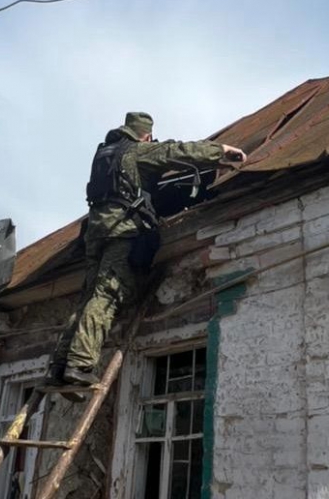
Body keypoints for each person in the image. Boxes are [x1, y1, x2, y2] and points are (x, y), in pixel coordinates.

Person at [46, 112, 247, 397]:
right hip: (123, 229)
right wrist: (222, 152)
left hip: (97, 233)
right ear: (146, 135)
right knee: (108, 294)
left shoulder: (104, 155)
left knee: (89, 295)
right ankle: (79, 364)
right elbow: (175, 151)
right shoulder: (137, 151)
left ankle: (58, 365)